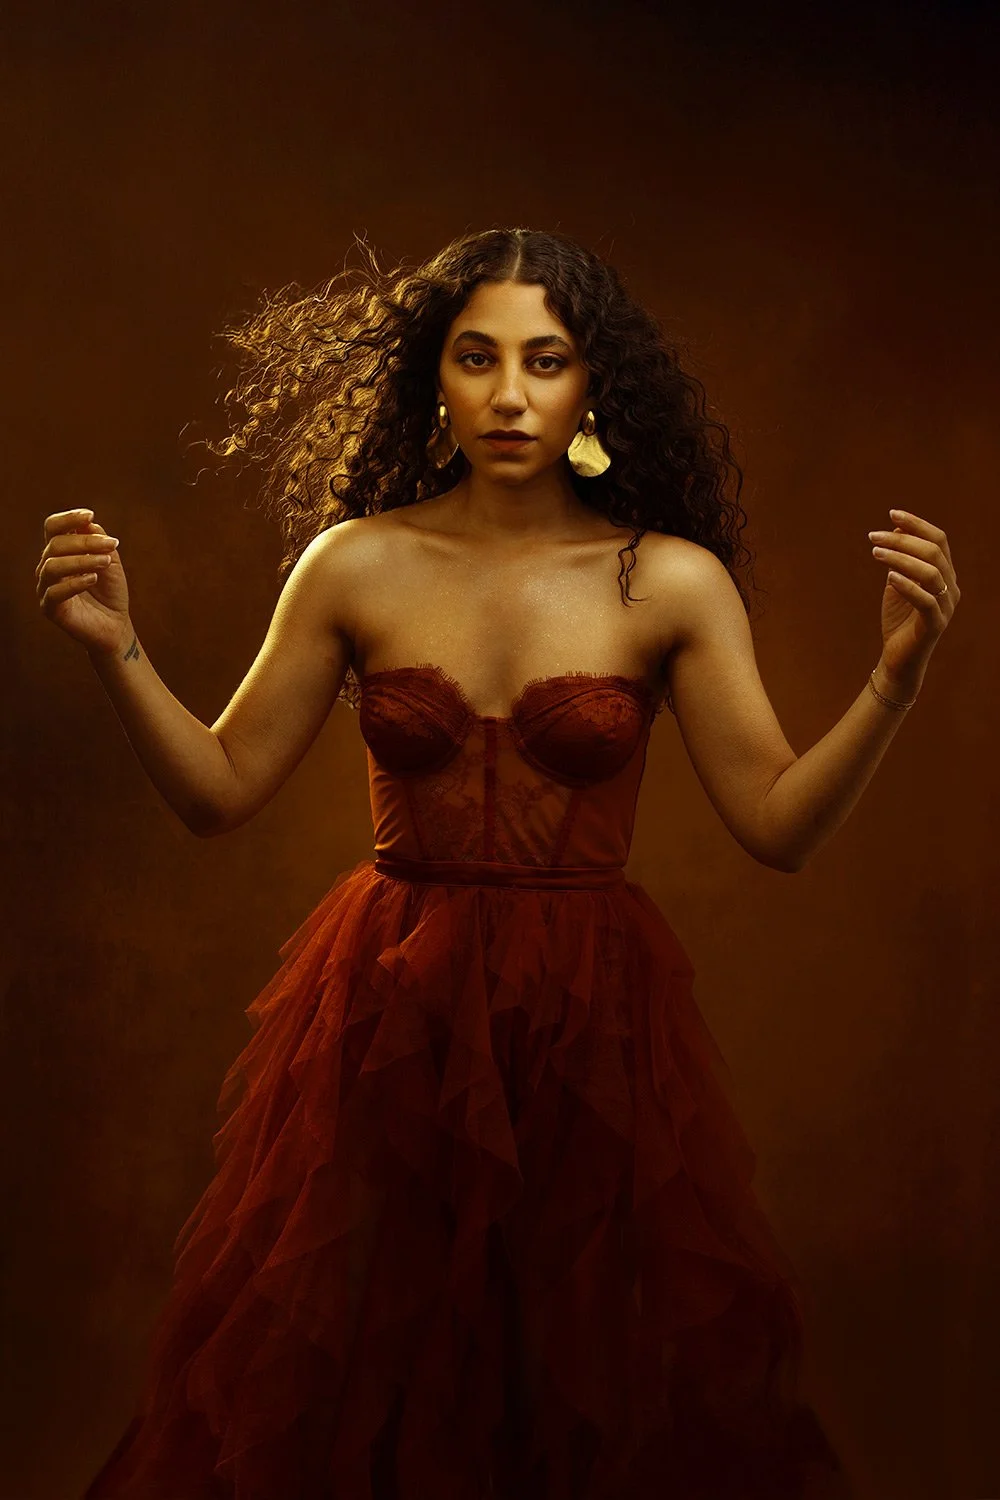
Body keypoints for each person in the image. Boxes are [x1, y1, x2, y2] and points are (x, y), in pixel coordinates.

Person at [37, 227, 958, 1500]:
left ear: (593, 387)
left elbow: (779, 826)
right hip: (384, 1018)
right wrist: (115, 648)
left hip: (592, 1032)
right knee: (359, 1377)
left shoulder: (668, 581)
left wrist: (892, 681)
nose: (511, 394)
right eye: (477, 358)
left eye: (546, 360)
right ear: (437, 377)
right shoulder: (355, 559)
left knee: (579, 1387)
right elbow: (218, 792)